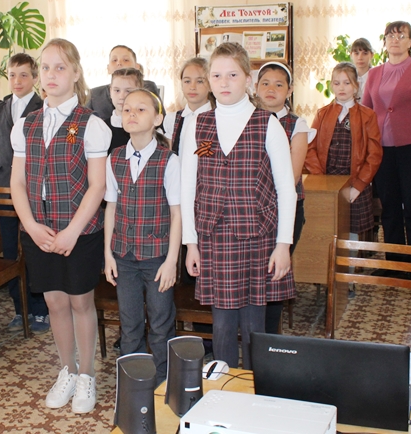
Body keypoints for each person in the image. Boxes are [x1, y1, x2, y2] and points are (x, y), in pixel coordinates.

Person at [181, 42, 296, 369]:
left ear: (248, 79)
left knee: (253, 325)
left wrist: (283, 245)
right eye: (216, 75)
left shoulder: (267, 123)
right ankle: (224, 387)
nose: (224, 82)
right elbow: (188, 186)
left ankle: (254, 386)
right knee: (222, 326)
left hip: (258, 237)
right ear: (209, 80)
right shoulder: (198, 124)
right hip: (215, 238)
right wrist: (191, 244)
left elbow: (286, 189)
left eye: (232, 75)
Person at [11, 39, 110, 414]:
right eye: (46, 67)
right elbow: (18, 183)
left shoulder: (90, 124)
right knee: (54, 301)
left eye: (60, 67)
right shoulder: (26, 125)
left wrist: (72, 231)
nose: (51, 75)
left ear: (76, 73)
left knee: (80, 301)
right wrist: (30, 225)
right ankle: (67, 369)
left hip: (79, 230)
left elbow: (97, 186)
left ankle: (87, 374)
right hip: (39, 230)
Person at [104, 88, 181, 386]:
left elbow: (176, 214)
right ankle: (133, 385)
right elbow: (111, 208)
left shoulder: (168, 160)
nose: (132, 114)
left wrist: (171, 261)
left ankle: (163, 384)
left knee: (161, 324)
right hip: (123, 256)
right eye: (127, 109)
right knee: (130, 323)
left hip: (157, 257)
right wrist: (108, 255)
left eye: (141, 109)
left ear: (157, 119)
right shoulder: (115, 158)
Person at [362, 21, 411, 267]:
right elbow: (365, 113)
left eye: (401, 36)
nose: (395, 40)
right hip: (382, 151)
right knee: (390, 209)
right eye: (390, 36)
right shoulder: (374, 74)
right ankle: (394, 265)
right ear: (384, 42)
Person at [0, 53, 49, 333]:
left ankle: (41, 310)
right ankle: (20, 309)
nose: (17, 81)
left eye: (23, 75)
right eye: (12, 75)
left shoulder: (44, 107)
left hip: (33, 194)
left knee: (35, 252)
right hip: (3, 193)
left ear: (35, 78)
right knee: (10, 254)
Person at [254, 61, 312, 334]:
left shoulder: (296, 124)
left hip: (284, 211)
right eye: (265, 83)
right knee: (251, 275)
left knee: (274, 274)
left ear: (289, 91)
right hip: (251, 211)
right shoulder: (247, 119)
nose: (271, 89)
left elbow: (292, 175)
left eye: (279, 85)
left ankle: (268, 340)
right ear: (255, 88)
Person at [305, 62, 382, 247]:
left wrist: (359, 185)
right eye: (337, 83)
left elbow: (374, 154)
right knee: (327, 226)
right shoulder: (322, 114)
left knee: (352, 229)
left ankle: (351, 263)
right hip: (327, 181)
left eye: (347, 83)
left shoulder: (368, 115)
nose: (341, 88)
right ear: (331, 85)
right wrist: (321, 180)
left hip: (355, 182)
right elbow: (310, 148)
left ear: (356, 86)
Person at [87, 45, 161, 120]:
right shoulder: (94, 94)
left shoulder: (148, 88)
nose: (119, 63)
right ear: (108, 68)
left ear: (137, 66)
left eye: (125, 60)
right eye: (114, 60)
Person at [163, 57, 214, 155]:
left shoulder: (218, 118)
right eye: (187, 81)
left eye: (199, 81)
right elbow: (169, 156)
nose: (192, 87)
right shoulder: (173, 119)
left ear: (210, 85)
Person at [103, 67, 144, 154]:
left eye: (128, 91)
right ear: (110, 91)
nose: (121, 96)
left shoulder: (147, 127)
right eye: (117, 90)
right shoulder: (102, 127)